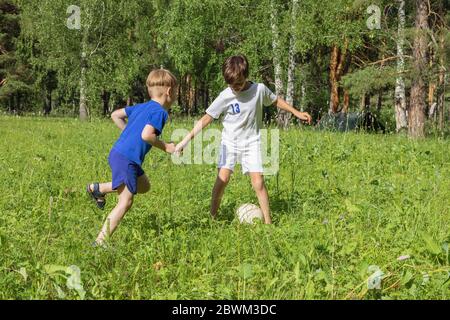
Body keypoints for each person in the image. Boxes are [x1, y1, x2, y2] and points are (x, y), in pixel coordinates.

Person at [175, 55, 311, 224]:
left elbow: (275, 101)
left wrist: (297, 112)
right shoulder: (225, 95)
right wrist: (185, 141)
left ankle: (268, 223)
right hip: (229, 143)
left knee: (258, 182)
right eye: (232, 85)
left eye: (239, 83)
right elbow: (205, 119)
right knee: (222, 179)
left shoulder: (259, 90)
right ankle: (212, 218)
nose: (236, 88)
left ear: (246, 76)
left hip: (252, 142)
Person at [87, 69, 177, 246]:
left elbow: (115, 115)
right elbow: (146, 135)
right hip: (127, 158)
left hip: (120, 154)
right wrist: (167, 147)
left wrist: (128, 131)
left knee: (143, 186)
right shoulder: (160, 112)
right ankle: (99, 243)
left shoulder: (142, 107)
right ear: (169, 92)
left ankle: (99, 189)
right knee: (125, 201)